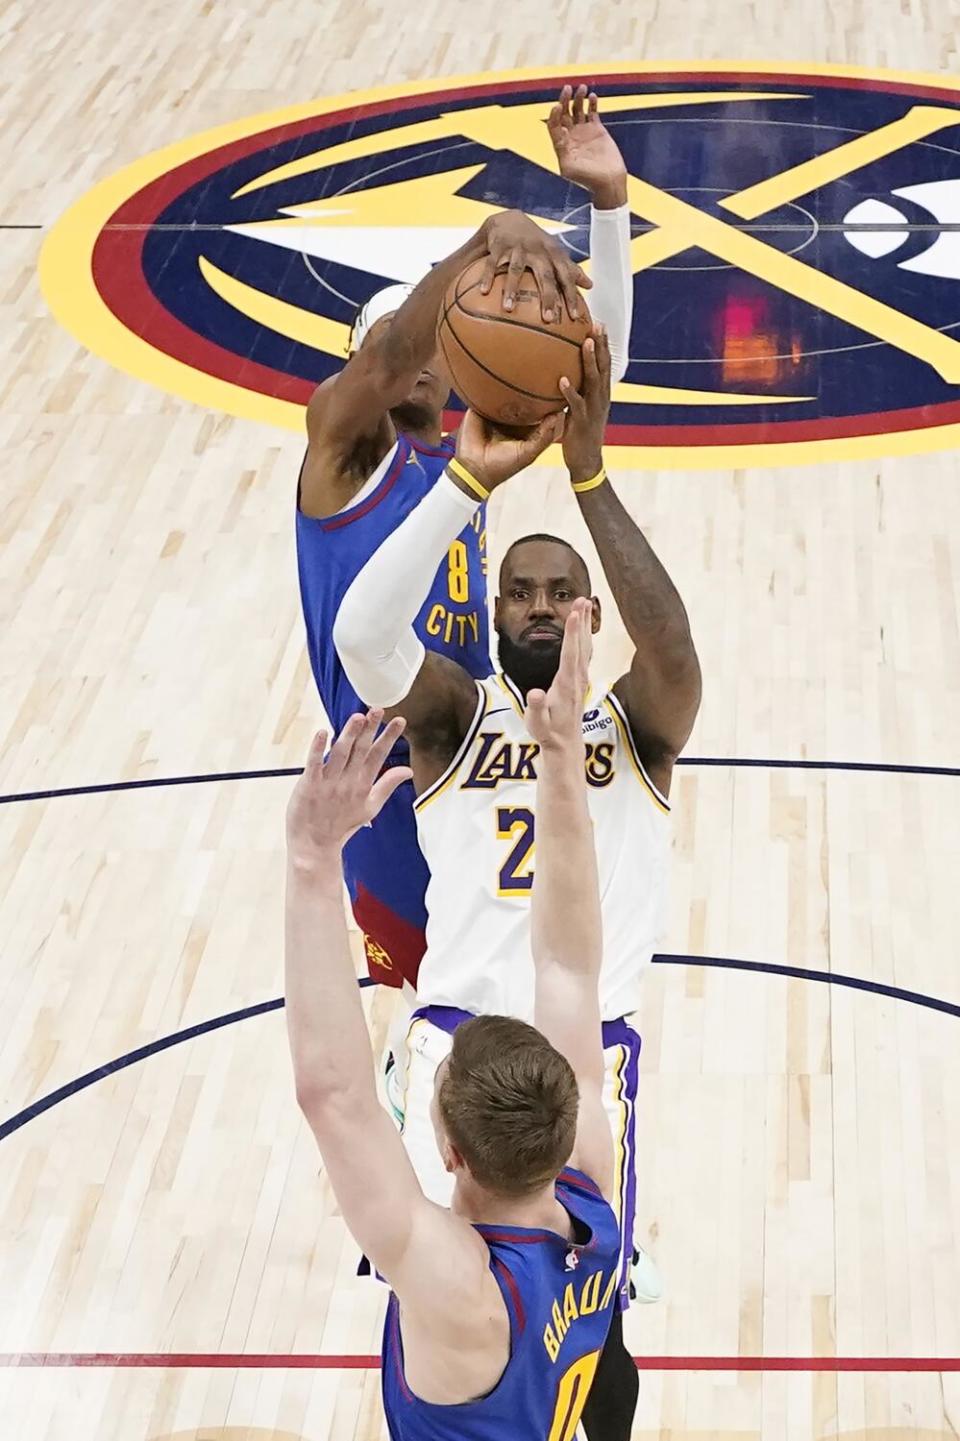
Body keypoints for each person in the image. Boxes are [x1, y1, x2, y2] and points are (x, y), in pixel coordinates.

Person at [333, 327, 702, 1437]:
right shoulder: (454, 716)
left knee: (600, 1317)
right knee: (437, 1303)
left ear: (590, 612)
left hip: (586, 1051)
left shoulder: (637, 722)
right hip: (456, 1039)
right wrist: (465, 480)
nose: (541, 605)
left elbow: (677, 648)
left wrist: (588, 475)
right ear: (493, 620)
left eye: (563, 593)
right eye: (521, 593)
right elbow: (361, 631)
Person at [296, 84, 634, 993]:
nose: (413, 360)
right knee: (422, 1033)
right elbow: (391, 358)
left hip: (468, 748)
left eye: (430, 342)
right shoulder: (338, 452)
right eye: (388, 348)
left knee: (515, 1016)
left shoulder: (464, 457)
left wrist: (609, 206)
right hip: (387, 786)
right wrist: (491, 232)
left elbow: (594, 378)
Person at [285, 602, 622, 1438]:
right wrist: (559, 760)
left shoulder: (459, 1289)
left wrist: (310, 862)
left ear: (448, 1153)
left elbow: (336, 1092)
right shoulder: (595, 1200)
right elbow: (570, 968)